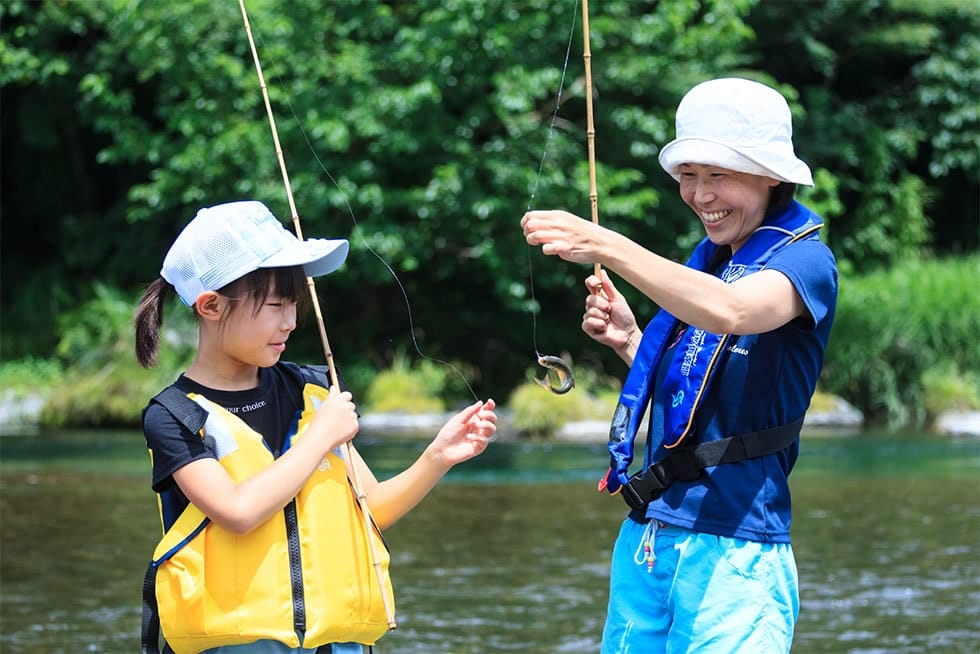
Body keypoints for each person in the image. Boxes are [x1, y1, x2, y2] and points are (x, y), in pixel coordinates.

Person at [522, 77, 838, 653]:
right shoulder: (714, 264)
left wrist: (606, 244)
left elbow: (733, 311)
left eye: (718, 175)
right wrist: (631, 341)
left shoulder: (805, 262)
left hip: (736, 549)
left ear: (771, 174)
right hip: (648, 537)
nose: (699, 194)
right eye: (688, 176)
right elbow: (698, 391)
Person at [134, 200, 498, 654]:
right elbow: (238, 512)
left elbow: (373, 510)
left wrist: (437, 457)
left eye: (294, 306)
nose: (289, 322)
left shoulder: (313, 390)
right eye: (273, 306)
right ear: (210, 306)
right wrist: (320, 436)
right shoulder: (173, 414)